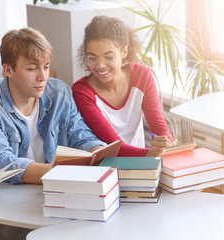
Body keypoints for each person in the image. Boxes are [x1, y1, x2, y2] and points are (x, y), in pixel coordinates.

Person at [0, 27, 105, 184]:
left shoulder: (59, 93)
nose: (42, 77)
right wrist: (63, 172)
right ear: (8, 70)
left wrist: (99, 155)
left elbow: (81, 136)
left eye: (46, 67)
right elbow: (4, 164)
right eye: (32, 68)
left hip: (53, 190)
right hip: (6, 196)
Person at [72, 16, 177, 157]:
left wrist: (166, 143)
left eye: (108, 57)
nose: (100, 65)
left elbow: (159, 128)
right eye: (92, 58)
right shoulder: (82, 92)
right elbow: (112, 145)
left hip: (142, 165)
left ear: (124, 52)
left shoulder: (142, 76)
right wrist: (151, 154)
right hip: (106, 168)